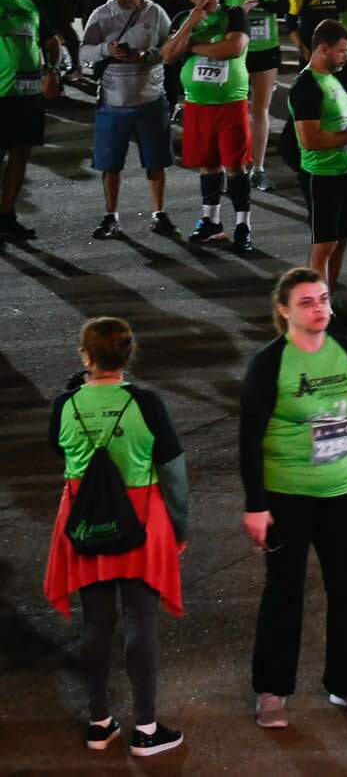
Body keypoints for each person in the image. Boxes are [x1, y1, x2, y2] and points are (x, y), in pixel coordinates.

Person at [240, 267, 347, 729]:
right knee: (284, 590)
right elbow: (249, 438)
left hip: (340, 491)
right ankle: (271, 690)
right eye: (306, 302)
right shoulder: (269, 364)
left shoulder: (342, 348)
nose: (319, 308)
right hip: (287, 493)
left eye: (323, 299)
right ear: (283, 311)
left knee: (346, 589)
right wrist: (256, 505)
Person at [44, 317, 188, 757]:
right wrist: (179, 526)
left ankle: (99, 722)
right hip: (141, 522)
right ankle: (146, 729)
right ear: (128, 355)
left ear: (85, 356)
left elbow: (58, 448)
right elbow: (173, 471)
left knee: (96, 622)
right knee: (141, 622)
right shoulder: (146, 403)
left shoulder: (65, 404)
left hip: (85, 522)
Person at [80, 0, 176, 240]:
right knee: (110, 163)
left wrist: (148, 55)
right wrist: (106, 49)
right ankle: (111, 216)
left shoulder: (155, 12)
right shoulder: (101, 15)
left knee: (156, 161)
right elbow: (84, 52)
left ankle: (159, 213)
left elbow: (170, 47)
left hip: (151, 97)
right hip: (113, 100)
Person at [164, 0, 256, 254]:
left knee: (235, 165)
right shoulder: (183, 19)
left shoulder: (234, 15)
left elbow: (233, 47)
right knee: (208, 164)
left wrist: (193, 46)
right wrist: (190, 25)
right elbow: (168, 55)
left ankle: (243, 225)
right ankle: (211, 221)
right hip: (197, 104)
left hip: (231, 102)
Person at [289, 20, 347, 286]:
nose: (346, 57)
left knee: (339, 241)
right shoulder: (306, 86)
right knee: (324, 245)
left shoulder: (330, 80)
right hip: (322, 176)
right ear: (323, 48)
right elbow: (310, 139)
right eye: (342, 51)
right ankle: (317, 303)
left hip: (345, 172)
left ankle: (329, 300)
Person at [221, 0, 288, 191]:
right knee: (232, 109)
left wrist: (263, 3)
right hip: (237, 48)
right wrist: (240, 11)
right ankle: (231, 168)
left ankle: (258, 169)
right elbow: (219, 11)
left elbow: (284, 5)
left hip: (265, 47)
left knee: (261, 109)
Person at [0, 0, 58, 239]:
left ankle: (7, 216)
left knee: (20, 155)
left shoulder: (31, 6)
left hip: (29, 95)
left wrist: (52, 70)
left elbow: (51, 42)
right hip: (2, 94)